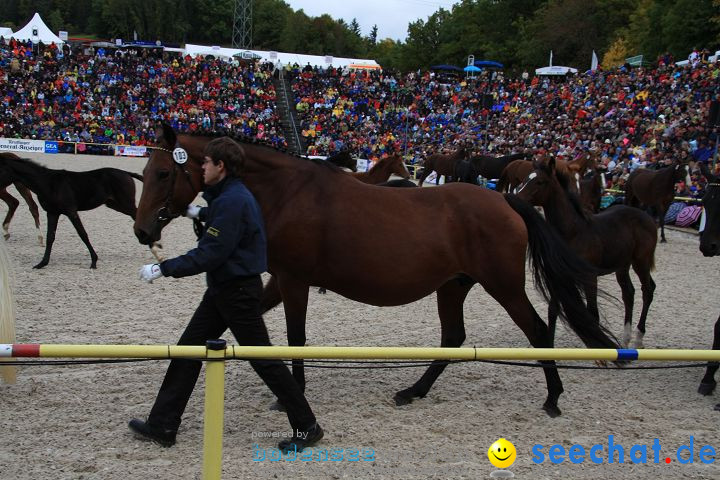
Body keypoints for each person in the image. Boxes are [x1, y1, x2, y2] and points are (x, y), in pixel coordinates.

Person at [131, 137, 323, 452]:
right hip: (225, 289)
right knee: (187, 352)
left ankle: (307, 426)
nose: (201, 167)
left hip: (235, 291)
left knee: (264, 361)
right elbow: (226, 227)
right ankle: (162, 424)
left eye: (206, 162)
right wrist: (199, 214)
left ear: (220, 166)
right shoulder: (229, 197)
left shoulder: (233, 200)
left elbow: (212, 252)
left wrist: (165, 268)